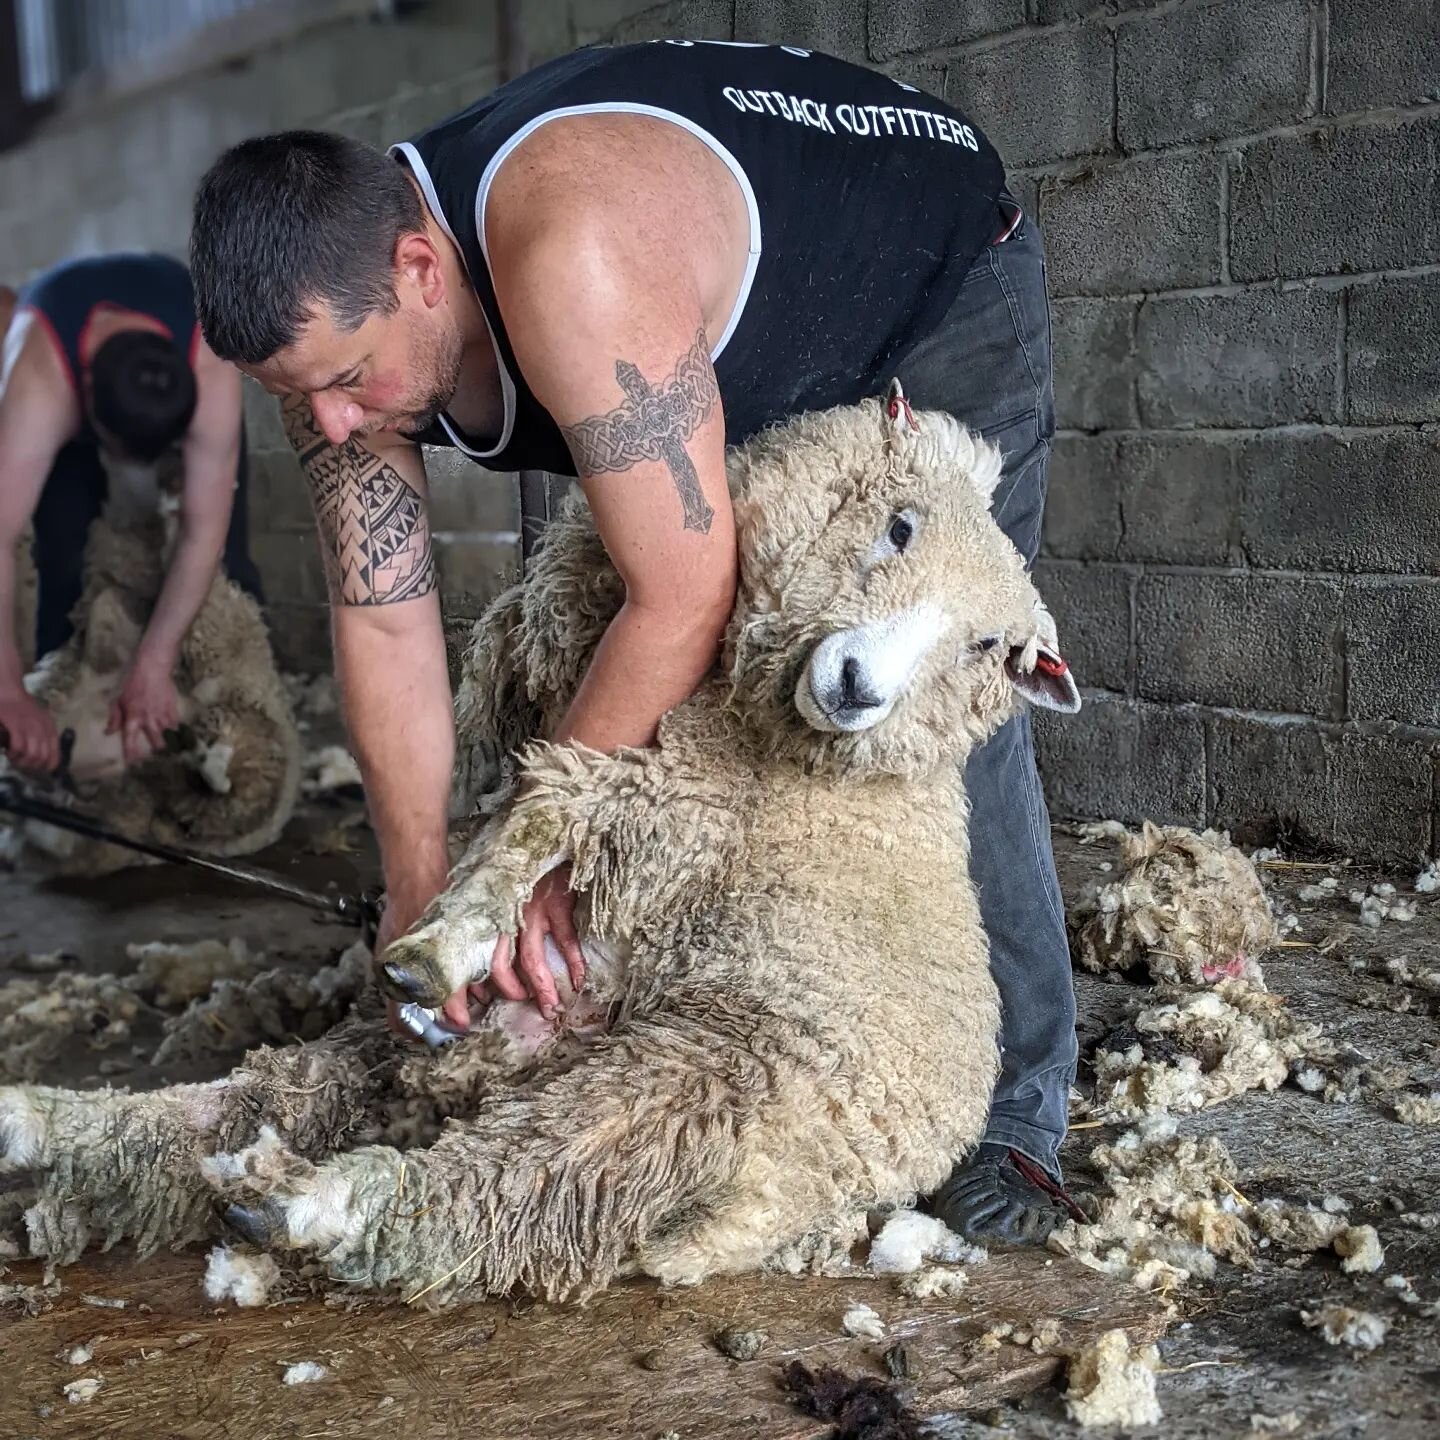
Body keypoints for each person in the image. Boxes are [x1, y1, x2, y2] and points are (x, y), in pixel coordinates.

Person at [187, 39, 1079, 1243]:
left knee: (918, 707)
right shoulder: (343, 332)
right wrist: (423, 904)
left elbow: (681, 596)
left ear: (416, 266)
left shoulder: (574, 264)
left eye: (348, 381)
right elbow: (384, 615)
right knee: (687, 701)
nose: (335, 424)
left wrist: (525, 866)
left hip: (931, 289)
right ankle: (662, 1013)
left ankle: (1022, 1114)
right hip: (724, 341)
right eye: (302, 398)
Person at [0, 252, 262, 773]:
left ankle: (244, 703)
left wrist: (154, 662)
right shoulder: (38, 377)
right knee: (62, 550)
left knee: (228, 549)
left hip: (170, 377)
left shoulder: (210, 358)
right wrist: (6, 693)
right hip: (63, 369)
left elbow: (200, 530)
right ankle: (61, 695)